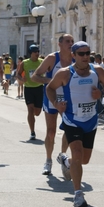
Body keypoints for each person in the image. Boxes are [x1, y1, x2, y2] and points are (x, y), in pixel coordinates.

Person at [46, 41, 104, 207]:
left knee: (83, 160)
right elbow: (50, 88)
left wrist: (102, 93)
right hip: (72, 119)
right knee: (76, 152)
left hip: (90, 120)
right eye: (81, 54)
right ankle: (78, 195)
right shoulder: (65, 74)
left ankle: (65, 161)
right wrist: (56, 103)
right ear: (73, 55)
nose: (85, 57)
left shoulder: (97, 71)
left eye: (88, 53)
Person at [31, 33, 74, 177]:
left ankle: (63, 157)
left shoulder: (76, 59)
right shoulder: (52, 58)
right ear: (60, 44)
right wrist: (52, 81)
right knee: (51, 132)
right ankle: (48, 160)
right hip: (52, 97)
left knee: (69, 130)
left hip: (69, 99)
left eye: (72, 41)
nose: (71, 43)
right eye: (68, 41)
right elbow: (35, 76)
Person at [17, 44, 43, 140]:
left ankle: (33, 127)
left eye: (38, 51)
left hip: (39, 88)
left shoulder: (42, 62)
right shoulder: (25, 63)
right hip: (28, 88)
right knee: (30, 110)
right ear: (30, 53)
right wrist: (22, 79)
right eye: (35, 51)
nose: (37, 53)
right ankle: (32, 132)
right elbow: (18, 74)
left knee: (37, 112)